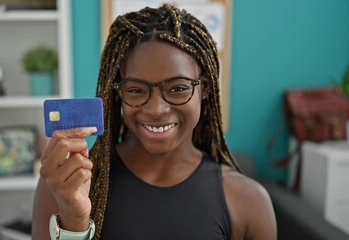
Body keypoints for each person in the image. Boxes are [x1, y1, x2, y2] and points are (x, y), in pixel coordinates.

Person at [32, 4, 276, 240]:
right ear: (118, 93)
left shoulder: (249, 201)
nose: (157, 109)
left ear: (205, 89)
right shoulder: (68, 183)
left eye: (178, 88)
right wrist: (74, 224)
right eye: (136, 90)